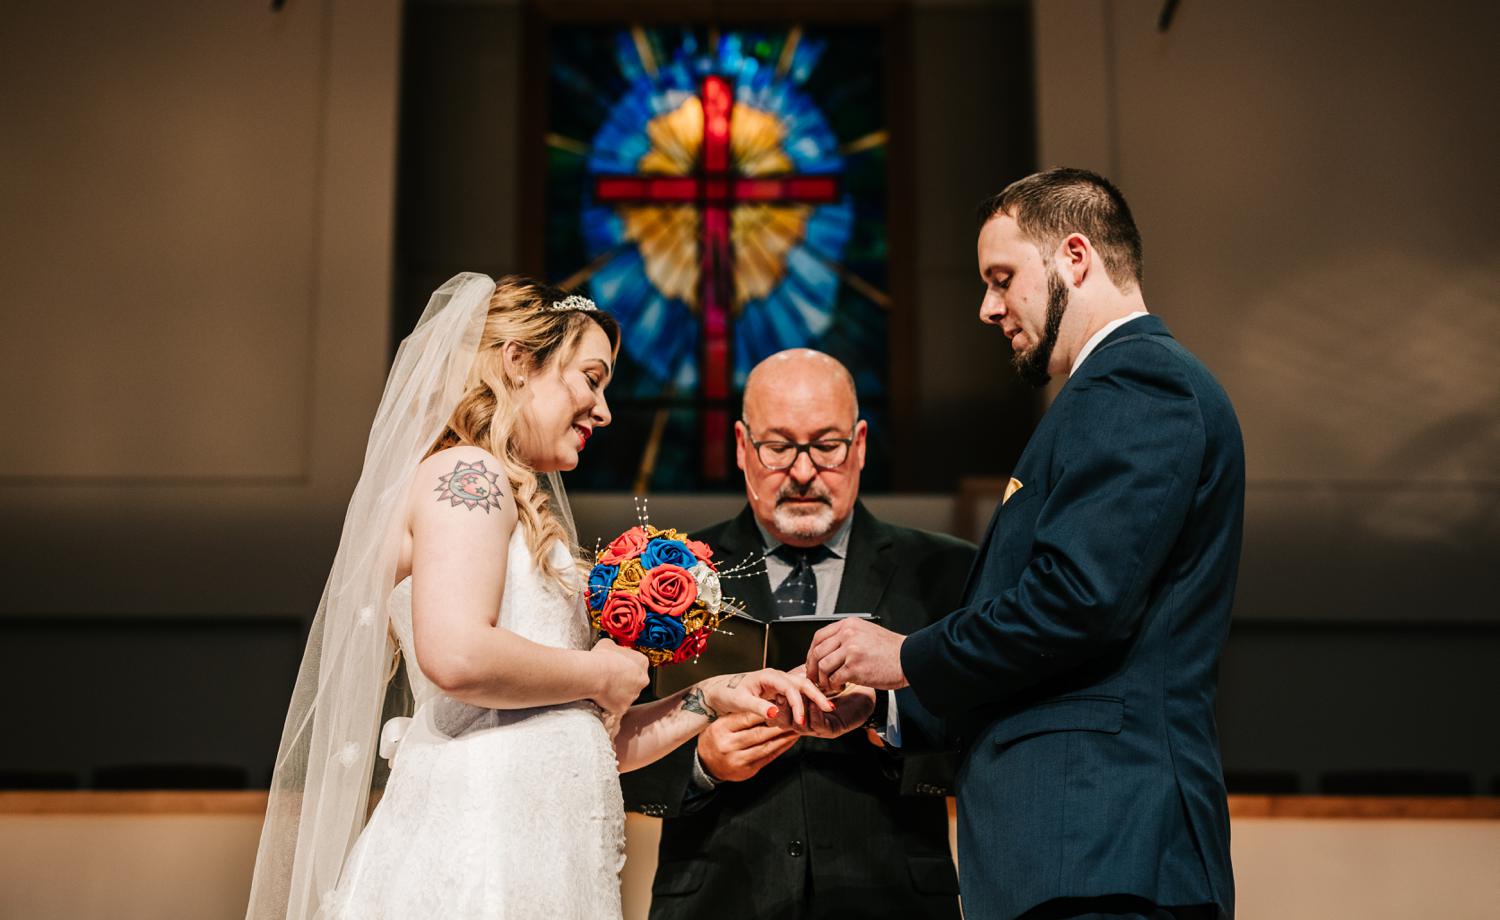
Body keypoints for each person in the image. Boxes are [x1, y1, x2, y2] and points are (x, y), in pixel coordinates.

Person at [245, 275, 832, 920]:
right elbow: (458, 654)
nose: (604, 411)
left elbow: (578, 736)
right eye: (590, 377)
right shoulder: (467, 473)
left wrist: (704, 698)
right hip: (478, 859)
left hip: (544, 860)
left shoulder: (512, 499)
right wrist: (600, 671)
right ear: (519, 362)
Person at [806, 169, 1243, 920]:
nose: (987, 307)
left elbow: (1078, 602)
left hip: (1105, 850)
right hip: (1076, 852)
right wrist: (891, 708)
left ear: (1074, 257)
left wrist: (903, 657)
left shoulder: (1139, 383)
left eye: (1003, 279)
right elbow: (1061, 650)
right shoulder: (1107, 393)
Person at [621, 349, 974, 920]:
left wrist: (889, 717)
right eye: (779, 448)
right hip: (720, 897)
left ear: (860, 445)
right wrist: (700, 763)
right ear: (741, 446)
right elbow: (605, 748)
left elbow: (988, 736)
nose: (804, 472)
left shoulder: (945, 572)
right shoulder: (669, 575)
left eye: (827, 447)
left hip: (891, 896)